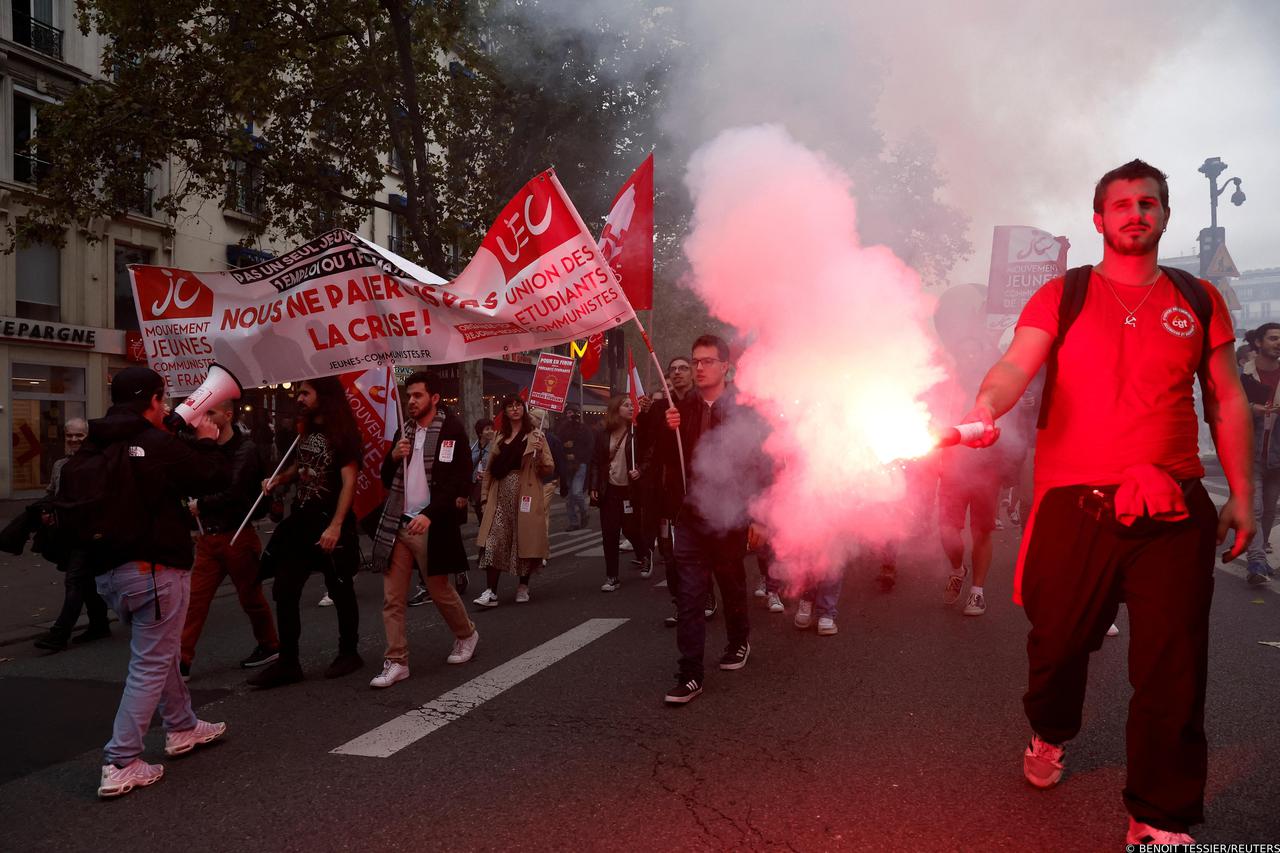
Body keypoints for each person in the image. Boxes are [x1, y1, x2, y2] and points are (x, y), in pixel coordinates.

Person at [961, 159, 1252, 845]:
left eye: (1148, 203)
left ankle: (1159, 815)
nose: (1135, 213)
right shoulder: (1062, 296)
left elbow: (1229, 397)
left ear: (1165, 215)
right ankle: (1050, 729)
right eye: (1120, 204)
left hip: (1173, 507)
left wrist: (1243, 494)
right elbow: (1014, 365)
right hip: (1076, 507)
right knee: (1057, 646)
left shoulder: (1199, 296)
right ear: (1099, 219)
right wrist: (986, 405)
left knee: (1172, 665)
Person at [87, 367, 231, 798]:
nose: (167, 407)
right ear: (151, 400)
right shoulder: (154, 443)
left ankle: (183, 726)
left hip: (110, 571)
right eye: (163, 399)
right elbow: (211, 476)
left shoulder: (98, 440)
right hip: (154, 570)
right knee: (150, 663)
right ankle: (121, 760)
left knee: (160, 650)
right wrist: (206, 440)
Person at [660, 335, 769, 705]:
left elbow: (761, 465)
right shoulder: (681, 407)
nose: (699, 367)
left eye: (708, 361)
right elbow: (665, 460)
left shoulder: (745, 410)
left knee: (731, 580)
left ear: (726, 366)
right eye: (695, 362)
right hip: (691, 514)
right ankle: (690, 673)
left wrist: (760, 516)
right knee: (690, 596)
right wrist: (666, 428)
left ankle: (739, 640)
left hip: (730, 513)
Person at [249, 378, 364, 688]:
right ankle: (288, 662)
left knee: (339, 589)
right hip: (301, 521)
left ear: (323, 396)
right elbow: (301, 468)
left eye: (305, 392)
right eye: (298, 392)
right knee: (285, 588)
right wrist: (277, 480)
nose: (298, 398)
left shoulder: (343, 434)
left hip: (329, 521)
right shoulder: (307, 431)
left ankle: (349, 652)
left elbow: (349, 482)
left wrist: (337, 526)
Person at [368, 371, 479, 688]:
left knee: (439, 590)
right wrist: (393, 457)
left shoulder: (451, 430)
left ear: (434, 398)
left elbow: (458, 480)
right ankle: (397, 660)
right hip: (398, 523)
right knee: (392, 598)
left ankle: (466, 634)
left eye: (417, 395)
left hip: (431, 524)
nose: (411, 401)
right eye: (409, 395)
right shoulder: (404, 431)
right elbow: (387, 479)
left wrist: (430, 514)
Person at [180, 399, 279, 679]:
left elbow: (235, 490)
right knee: (195, 601)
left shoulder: (244, 449)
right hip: (209, 537)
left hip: (238, 534)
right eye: (203, 413)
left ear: (228, 414)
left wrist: (203, 504)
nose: (205, 418)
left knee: (250, 597)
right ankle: (182, 659)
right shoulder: (204, 446)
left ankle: (270, 643)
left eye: (211, 412)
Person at [939, 337, 1007, 617]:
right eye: (965, 352)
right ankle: (958, 569)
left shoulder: (998, 391)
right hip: (954, 468)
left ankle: (977, 592)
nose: (969, 357)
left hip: (987, 470)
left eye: (975, 352)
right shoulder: (946, 386)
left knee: (982, 530)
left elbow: (1006, 426)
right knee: (948, 530)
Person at [32, 418, 113, 651]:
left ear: (88, 436)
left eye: (79, 435)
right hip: (66, 533)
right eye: (70, 435)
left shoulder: (99, 462)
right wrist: (46, 510)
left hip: (90, 533)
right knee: (85, 580)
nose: (74, 439)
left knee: (75, 579)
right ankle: (99, 624)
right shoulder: (60, 465)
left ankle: (59, 634)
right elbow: (51, 493)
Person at [473, 395, 553, 606]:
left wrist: (537, 458)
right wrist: (483, 497)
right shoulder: (499, 437)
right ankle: (490, 591)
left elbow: (548, 468)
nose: (515, 409)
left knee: (523, 540)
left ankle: (523, 585)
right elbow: (490, 470)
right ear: (505, 412)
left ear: (524, 410)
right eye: (510, 406)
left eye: (518, 405)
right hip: (500, 494)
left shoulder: (535, 435)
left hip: (525, 492)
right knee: (494, 540)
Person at [591, 394, 652, 591]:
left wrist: (640, 470)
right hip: (609, 489)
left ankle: (644, 554)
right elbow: (596, 462)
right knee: (609, 533)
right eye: (626, 405)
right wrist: (593, 486)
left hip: (630, 490)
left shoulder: (637, 432)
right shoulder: (602, 433)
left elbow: (649, 454)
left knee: (630, 529)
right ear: (616, 409)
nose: (630, 408)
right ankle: (612, 576)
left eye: (631, 405)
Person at [1240, 322, 1280, 584]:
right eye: (1273, 338)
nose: (1278, 343)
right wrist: (1250, 408)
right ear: (1258, 343)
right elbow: (1224, 405)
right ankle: (1255, 561)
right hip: (1248, 453)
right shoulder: (1243, 374)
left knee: (1268, 510)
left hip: (1277, 454)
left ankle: (1260, 555)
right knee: (1254, 509)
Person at [557, 406, 594, 530]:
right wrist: (564, 447)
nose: (569, 415)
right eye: (568, 412)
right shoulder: (562, 428)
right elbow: (558, 445)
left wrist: (577, 455)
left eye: (571, 412)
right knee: (569, 497)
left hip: (580, 464)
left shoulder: (584, 429)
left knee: (577, 492)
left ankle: (584, 512)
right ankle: (573, 522)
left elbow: (589, 447)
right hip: (567, 465)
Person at [470, 418, 495, 525]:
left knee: (488, 519)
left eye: (492, 429)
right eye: (487, 429)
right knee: (480, 516)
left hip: (489, 488)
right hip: (475, 487)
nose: (491, 431)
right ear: (480, 433)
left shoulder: (495, 447)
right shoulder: (472, 447)